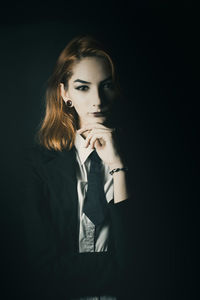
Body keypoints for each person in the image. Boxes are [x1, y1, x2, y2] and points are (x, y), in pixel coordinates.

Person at [21, 35, 134, 300]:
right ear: (65, 93)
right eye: (83, 87)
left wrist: (118, 167)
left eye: (106, 86)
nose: (97, 100)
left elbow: (139, 258)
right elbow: (42, 269)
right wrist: (117, 267)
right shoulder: (38, 164)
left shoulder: (142, 160)